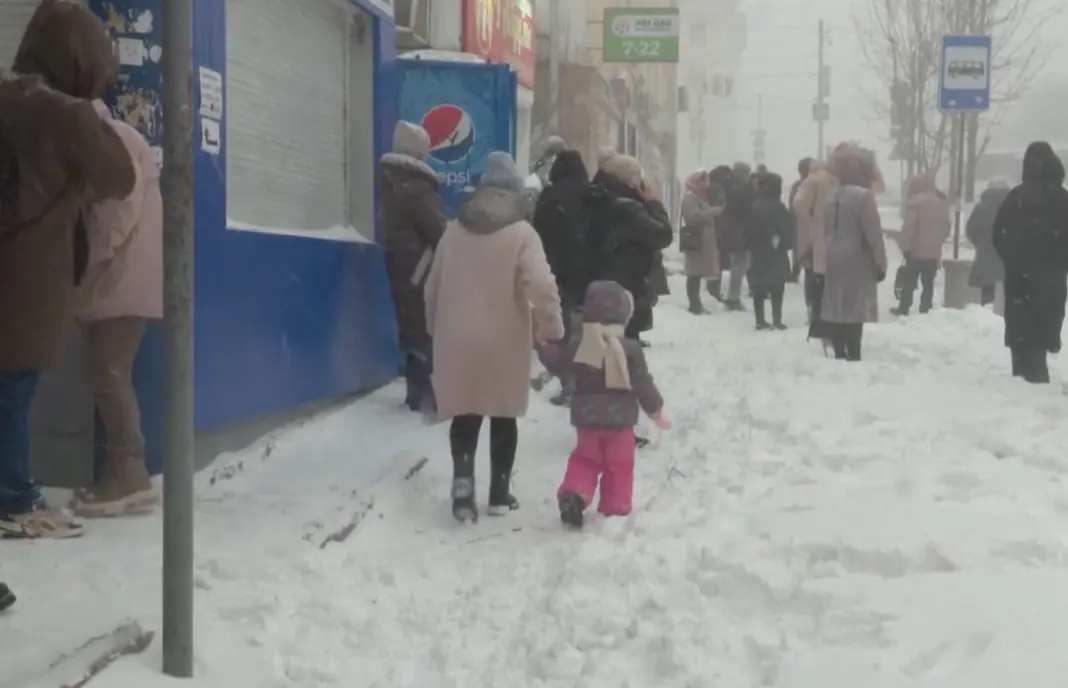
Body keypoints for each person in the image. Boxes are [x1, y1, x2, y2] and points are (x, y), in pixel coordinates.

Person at [0, 0, 137, 539]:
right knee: (13, 387)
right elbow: (120, 177)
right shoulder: (68, 115)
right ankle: (13, 500)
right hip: (28, 278)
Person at [425, 152, 563, 522]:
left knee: (465, 413)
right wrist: (551, 328)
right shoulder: (522, 233)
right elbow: (542, 285)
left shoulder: (453, 231)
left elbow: (432, 287)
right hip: (504, 341)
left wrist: (433, 328)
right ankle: (500, 493)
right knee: (503, 415)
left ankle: (463, 488)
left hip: (456, 339)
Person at [69, 99, 163, 517]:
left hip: (119, 279)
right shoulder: (115, 138)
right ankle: (125, 471)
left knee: (109, 375)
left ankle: (129, 474)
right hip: (122, 278)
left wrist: (83, 271)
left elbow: (114, 218)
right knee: (108, 374)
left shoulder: (114, 141)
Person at [538, 281, 669, 529]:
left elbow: (560, 363)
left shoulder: (580, 345)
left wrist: (543, 348)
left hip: (587, 420)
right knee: (619, 464)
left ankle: (574, 493)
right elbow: (642, 383)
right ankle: (615, 506)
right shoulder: (630, 349)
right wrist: (656, 410)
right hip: (620, 423)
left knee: (585, 459)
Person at [379, 121, 447, 415]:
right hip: (420, 268)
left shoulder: (391, 181)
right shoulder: (416, 187)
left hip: (400, 265)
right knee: (424, 328)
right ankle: (426, 396)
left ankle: (415, 392)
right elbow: (437, 230)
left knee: (409, 327)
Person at [992, 141, 1068, 384]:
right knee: (1042, 332)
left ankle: (1023, 381)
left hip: (1020, 278)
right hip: (1052, 279)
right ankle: (1037, 378)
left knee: (1021, 334)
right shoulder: (1063, 198)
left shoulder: (1016, 197)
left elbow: (998, 233)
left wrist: (1013, 259)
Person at [585, 154, 674, 342]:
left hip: (596, 281)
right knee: (621, 343)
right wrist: (653, 202)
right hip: (625, 283)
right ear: (632, 181)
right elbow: (662, 235)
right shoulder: (629, 208)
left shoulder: (595, 196)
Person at [533, 150, 591, 405]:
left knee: (562, 329)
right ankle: (586, 382)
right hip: (586, 271)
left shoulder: (549, 196)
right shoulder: (591, 195)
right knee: (585, 331)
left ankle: (568, 382)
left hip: (556, 268)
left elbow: (539, 233)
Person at [820, 145, 888, 361]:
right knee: (855, 306)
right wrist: (880, 262)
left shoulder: (832, 196)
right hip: (857, 255)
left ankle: (839, 349)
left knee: (837, 303)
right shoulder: (863, 197)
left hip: (833, 252)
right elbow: (873, 233)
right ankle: (853, 351)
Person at [795, 145, 850, 351]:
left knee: (829, 288)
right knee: (825, 287)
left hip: (837, 242)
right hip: (828, 242)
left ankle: (830, 331)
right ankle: (828, 331)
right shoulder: (820, 179)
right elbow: (800, 207)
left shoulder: (845, 180)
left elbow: (800, 206)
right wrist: (816, 225)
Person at [891, 174, 951, 315]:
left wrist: (905, 246)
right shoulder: (941, 203)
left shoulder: (915, 202)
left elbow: (910, 227)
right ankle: (926, 308)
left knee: (909, 281)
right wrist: (938, 240)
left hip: (916, 251)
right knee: (928, 282)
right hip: (934, 252)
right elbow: (946, 227)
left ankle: (904, 307)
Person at [746, 172, 794, 330]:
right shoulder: (778, 207)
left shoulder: (754, 205)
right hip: (776, 252)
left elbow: (747, 230)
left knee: (758, 288)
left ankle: (759, 319)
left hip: (757, 251)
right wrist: (785, 244)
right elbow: (786, 229)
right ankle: (777, 319)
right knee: (777, 288)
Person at [680, 170, 723, 315]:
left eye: (705, 181)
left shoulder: (701, 197)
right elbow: (691, 216)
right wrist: (713, 212)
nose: (704, 184)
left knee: (697, 273)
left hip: (703, 240)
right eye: (701, 181)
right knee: (694, 273)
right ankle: (694, 304)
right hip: (695, 240)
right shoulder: (689, 198)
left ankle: (697, 303)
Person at [967, 178, 1011, 306]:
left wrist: (980, 243)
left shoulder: (981, 208)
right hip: (1008, 254)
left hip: (985, 252)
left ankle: (987, 307)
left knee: (987, 287)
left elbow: (970, 230)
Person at [721, 162, 755, 311]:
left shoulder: (728, 186)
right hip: (742, 231)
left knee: (738, 265)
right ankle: (733, 298)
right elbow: (747, 209)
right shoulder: (742, 189)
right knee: (739, 266)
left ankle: (733, 296)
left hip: (733, 230)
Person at [789, 158, 815, 281]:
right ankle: (797, 270)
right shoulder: (799, 185)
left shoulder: (801, 185)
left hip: (807, 222)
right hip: (802, 222)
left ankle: (798, 271)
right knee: (800, 248)